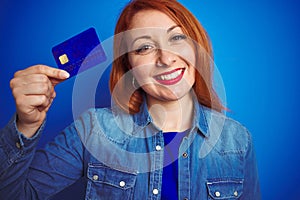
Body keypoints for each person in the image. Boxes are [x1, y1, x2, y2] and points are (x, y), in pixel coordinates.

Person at [0, 0, 261, 199]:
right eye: (144, 47)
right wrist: (26, 125)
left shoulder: (237, 140)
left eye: (177, 37)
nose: (166, 58)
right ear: (129, 68)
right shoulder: (93, 130)